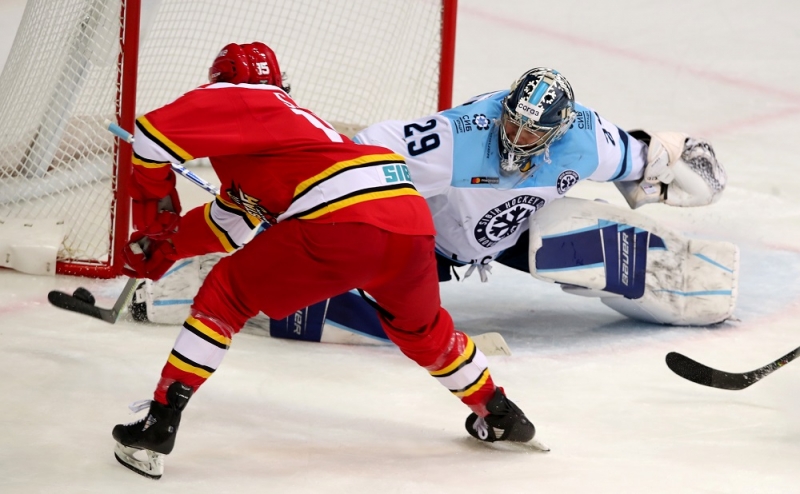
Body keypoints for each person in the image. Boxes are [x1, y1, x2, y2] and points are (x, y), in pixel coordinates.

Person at [112, 42, 535, 481]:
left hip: (343, 218)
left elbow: (150, 137)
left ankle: (159, 422)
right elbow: (229, 224)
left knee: (226, 294)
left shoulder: (244, 96)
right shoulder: (283, 139)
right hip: (406, 217)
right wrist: (167, 246)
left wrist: (153, 218)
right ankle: (498, 410)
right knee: (422, 331)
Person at [132, 67, 735, 342]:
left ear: (558, 131)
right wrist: (306, 204)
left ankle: (702, 291)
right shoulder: (457, 137)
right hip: (430, 243)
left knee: (607, 255)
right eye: (513, 126)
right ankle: (206, 281)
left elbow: (648, 161)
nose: (518, 140)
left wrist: (685, 171)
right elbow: (366, 151)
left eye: (534, 135)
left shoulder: (585, 139)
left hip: (513, 229)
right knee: (323, 312)